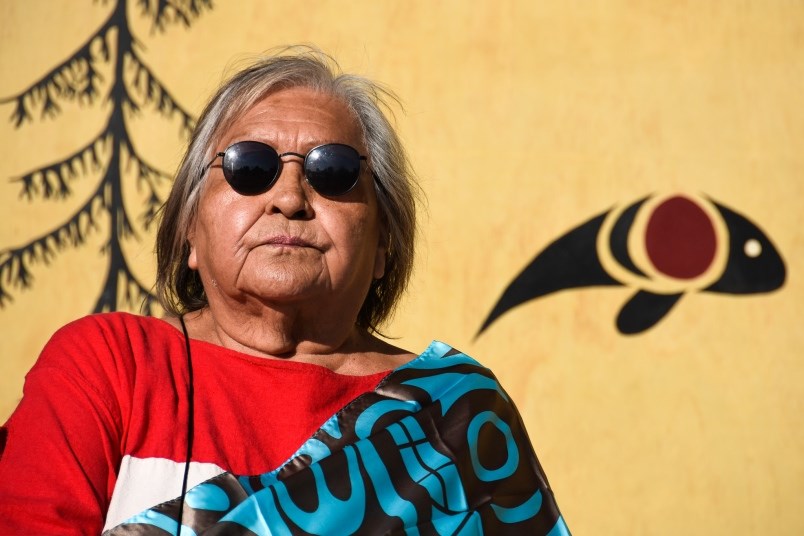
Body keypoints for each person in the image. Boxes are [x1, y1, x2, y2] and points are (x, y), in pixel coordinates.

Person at [0, 47, 569, 535]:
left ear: (382, 247)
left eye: (335, 172)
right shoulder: (110, 367)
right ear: (189, 232)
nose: (290, 197)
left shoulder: (454, 418)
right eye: (251, 168)